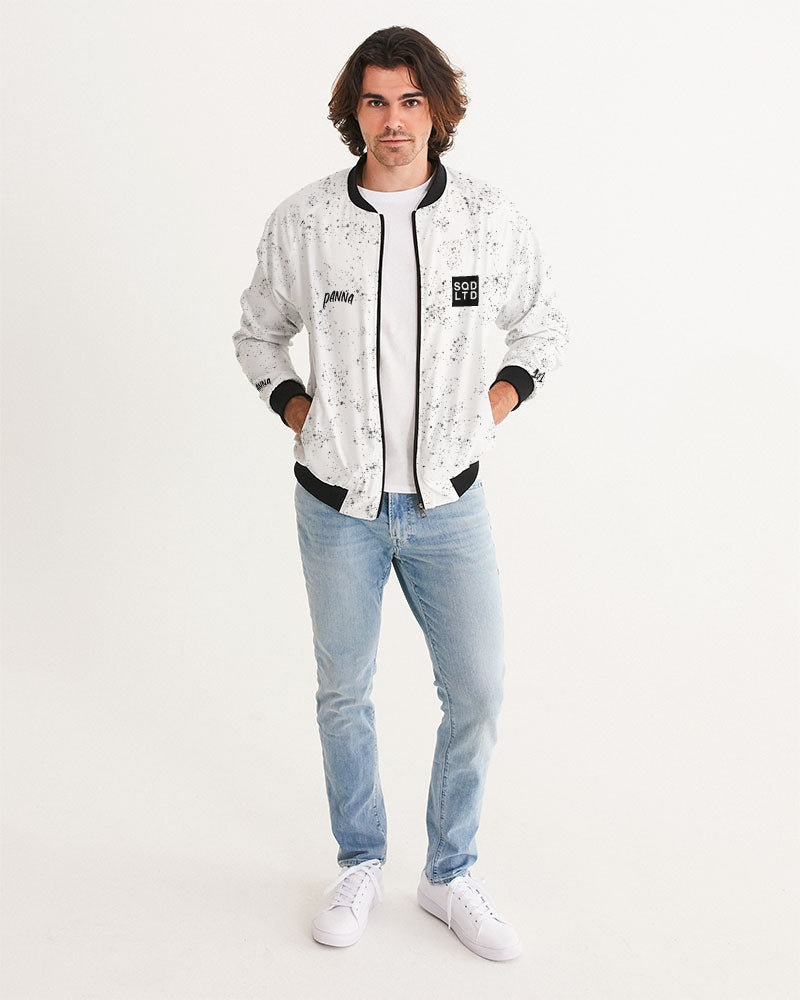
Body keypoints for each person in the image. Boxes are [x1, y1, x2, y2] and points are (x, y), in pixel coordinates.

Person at [233, 25, 568, 962]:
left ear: (438, 109)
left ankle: (449, 873)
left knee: (479, 689)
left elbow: (543, 326)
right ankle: (360, 859)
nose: (394, 120)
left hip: (449, 505)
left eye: (411, 100)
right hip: (335, 505)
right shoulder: (306, 223)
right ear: (355, 111)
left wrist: (493, 406)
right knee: (344, 691)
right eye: (376, 100)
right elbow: (256, 333)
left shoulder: (487, 219)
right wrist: (298, 409)